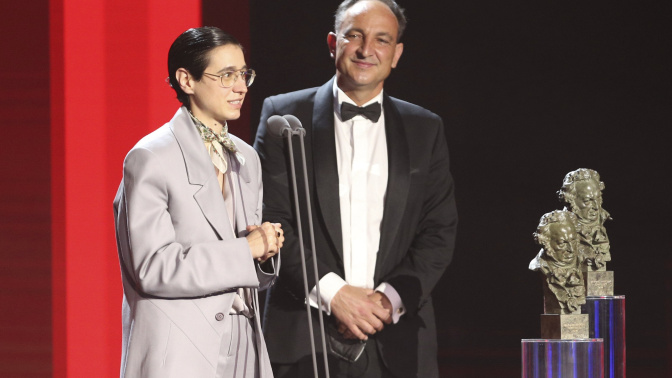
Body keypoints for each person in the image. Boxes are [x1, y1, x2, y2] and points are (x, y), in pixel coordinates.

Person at [254, 1, 458, 377]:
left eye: (382, 40)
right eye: (355, 36)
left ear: (396, 54)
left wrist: (385, 301)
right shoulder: (283, 117)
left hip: (398, 344)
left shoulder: (425, 127)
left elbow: (438, 231)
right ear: (333, 42)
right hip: (304, 338)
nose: (367, 50)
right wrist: (336, 296)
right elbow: (272, 220)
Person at [113, 27, 282, 378]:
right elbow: (153, 268)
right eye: (226, 76)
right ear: (186, 80)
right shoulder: (150, 157)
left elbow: (242, 269)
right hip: (179, 348)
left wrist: (264, 253)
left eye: (243, 74)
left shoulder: (246, 157)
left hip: (242, 345)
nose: (241, 87)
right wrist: (245, 249)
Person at [530, 210, 585, 314]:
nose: (571, 250)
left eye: (573, 241)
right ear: (546, 242)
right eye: (562, 243)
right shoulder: (541, 264)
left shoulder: (579, 260)